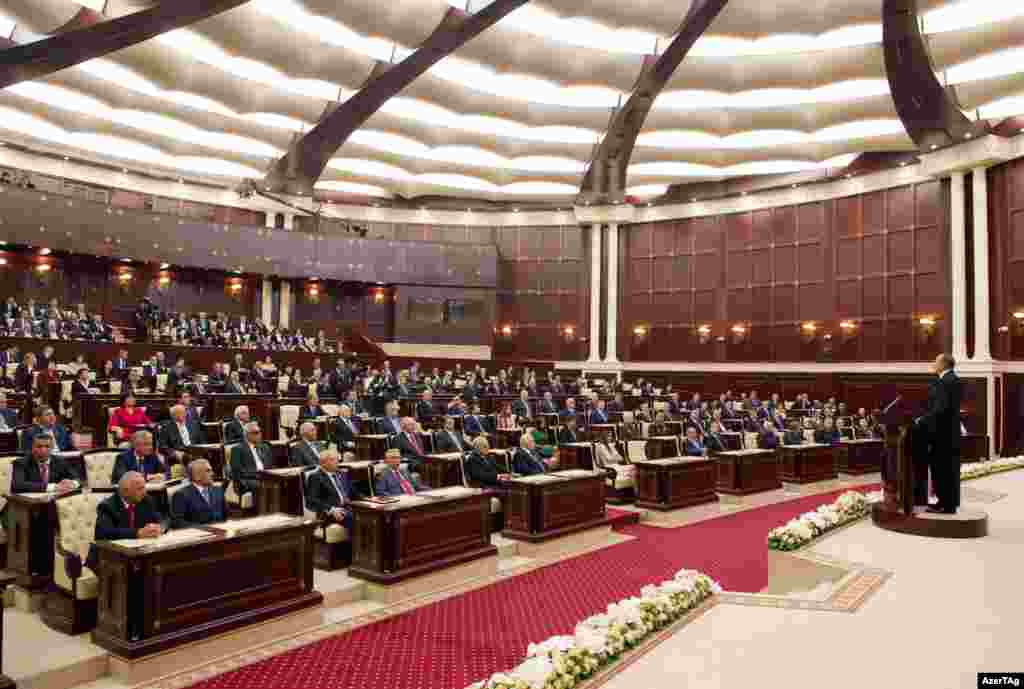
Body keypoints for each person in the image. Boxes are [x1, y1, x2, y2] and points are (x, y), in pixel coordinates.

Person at [916, 353, 963, 514]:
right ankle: (947, 502)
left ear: (943, 364)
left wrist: (921, 420)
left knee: (942, 469)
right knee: (948, 470)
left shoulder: (945, 382)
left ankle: (946, 504)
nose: (933, 363)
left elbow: (940, 409)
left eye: (936, 361)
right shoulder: (953, 379)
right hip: (949, 434)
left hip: (943, 435)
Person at [89, 471, 162, 569]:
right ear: (125, 491)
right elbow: (104, 533)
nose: (144, 492)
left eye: (144, 487)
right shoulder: (107, 506)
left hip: (136, 556)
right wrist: (137, 533)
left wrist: (157, 527)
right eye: (140, 489)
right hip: (107, 559)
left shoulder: (146, 500)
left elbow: (160, 519)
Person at [12, 435, 80, 493]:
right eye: (39, 446)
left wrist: (72, 483)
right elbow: (17, 485)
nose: (43, 450)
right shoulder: (20, 463)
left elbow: (77, 478)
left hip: (54, 501)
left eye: (47, 446)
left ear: (52, 448)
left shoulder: (60, 461)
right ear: (32, 448)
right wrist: (53, 487)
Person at [305, 450, 355, 528]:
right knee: (357, 519)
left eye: (337, 459)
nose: (337, 462)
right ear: (323, 463)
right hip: (331, 513)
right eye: (333, 459)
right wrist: (331, 509)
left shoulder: (341, 473)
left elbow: (353, 492)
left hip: (350, 507)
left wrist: (369, 499)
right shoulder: (315, 477)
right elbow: (311, 500)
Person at [170, 459, 226, 528]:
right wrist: (205, 529)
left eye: (211, 470)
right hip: (197, 535)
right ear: (197, 476)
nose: (212, 473)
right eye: (208, 471)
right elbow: (177, 523)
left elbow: (226, 516)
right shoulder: (181, 495)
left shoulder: (218, 490)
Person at [229, 422, 271, 499]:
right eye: (256, 433)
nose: (259, 434)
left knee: (278, 484)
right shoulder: (237, 449)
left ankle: (275, 510)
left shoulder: (265, 447)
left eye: (260, 432)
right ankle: (261, 511)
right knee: (260, 485)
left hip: (264, 477)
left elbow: (270, 466)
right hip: (246, 481)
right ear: (247, 435)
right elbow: (236, 471)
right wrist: (257, 475)